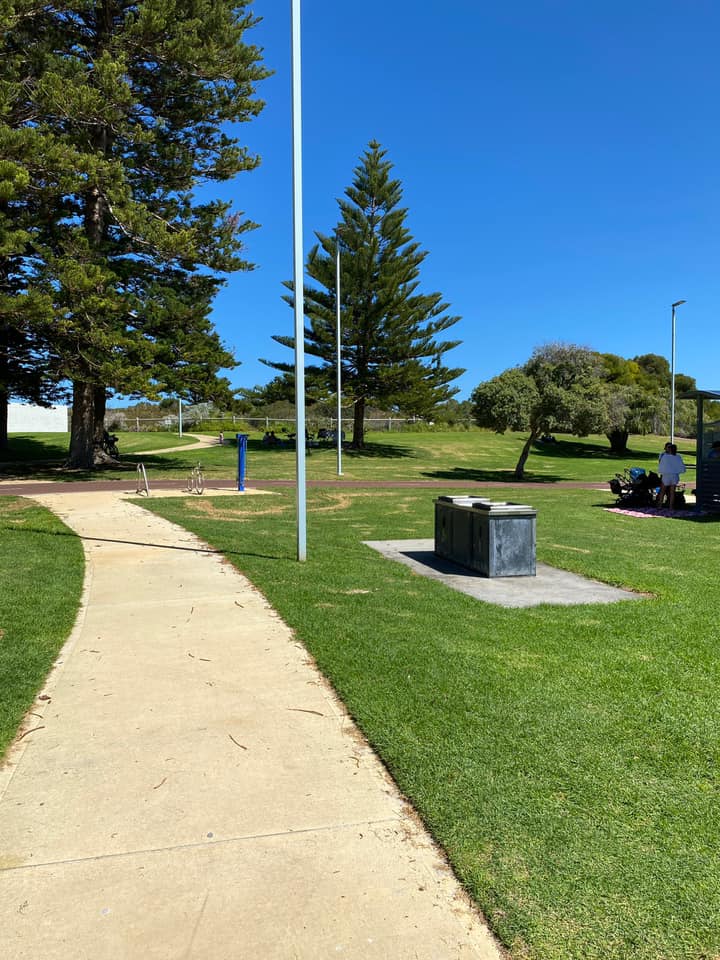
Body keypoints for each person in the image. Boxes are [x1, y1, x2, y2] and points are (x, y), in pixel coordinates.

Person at [657, 442, 686, 510]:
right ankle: (671, 506)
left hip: (666, 475)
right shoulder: (678, 457)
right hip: (675, 475)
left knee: (662, 491)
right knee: (672, 492)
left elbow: (661, 464)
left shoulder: (664, 456)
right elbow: (680, 466)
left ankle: (660, 505)